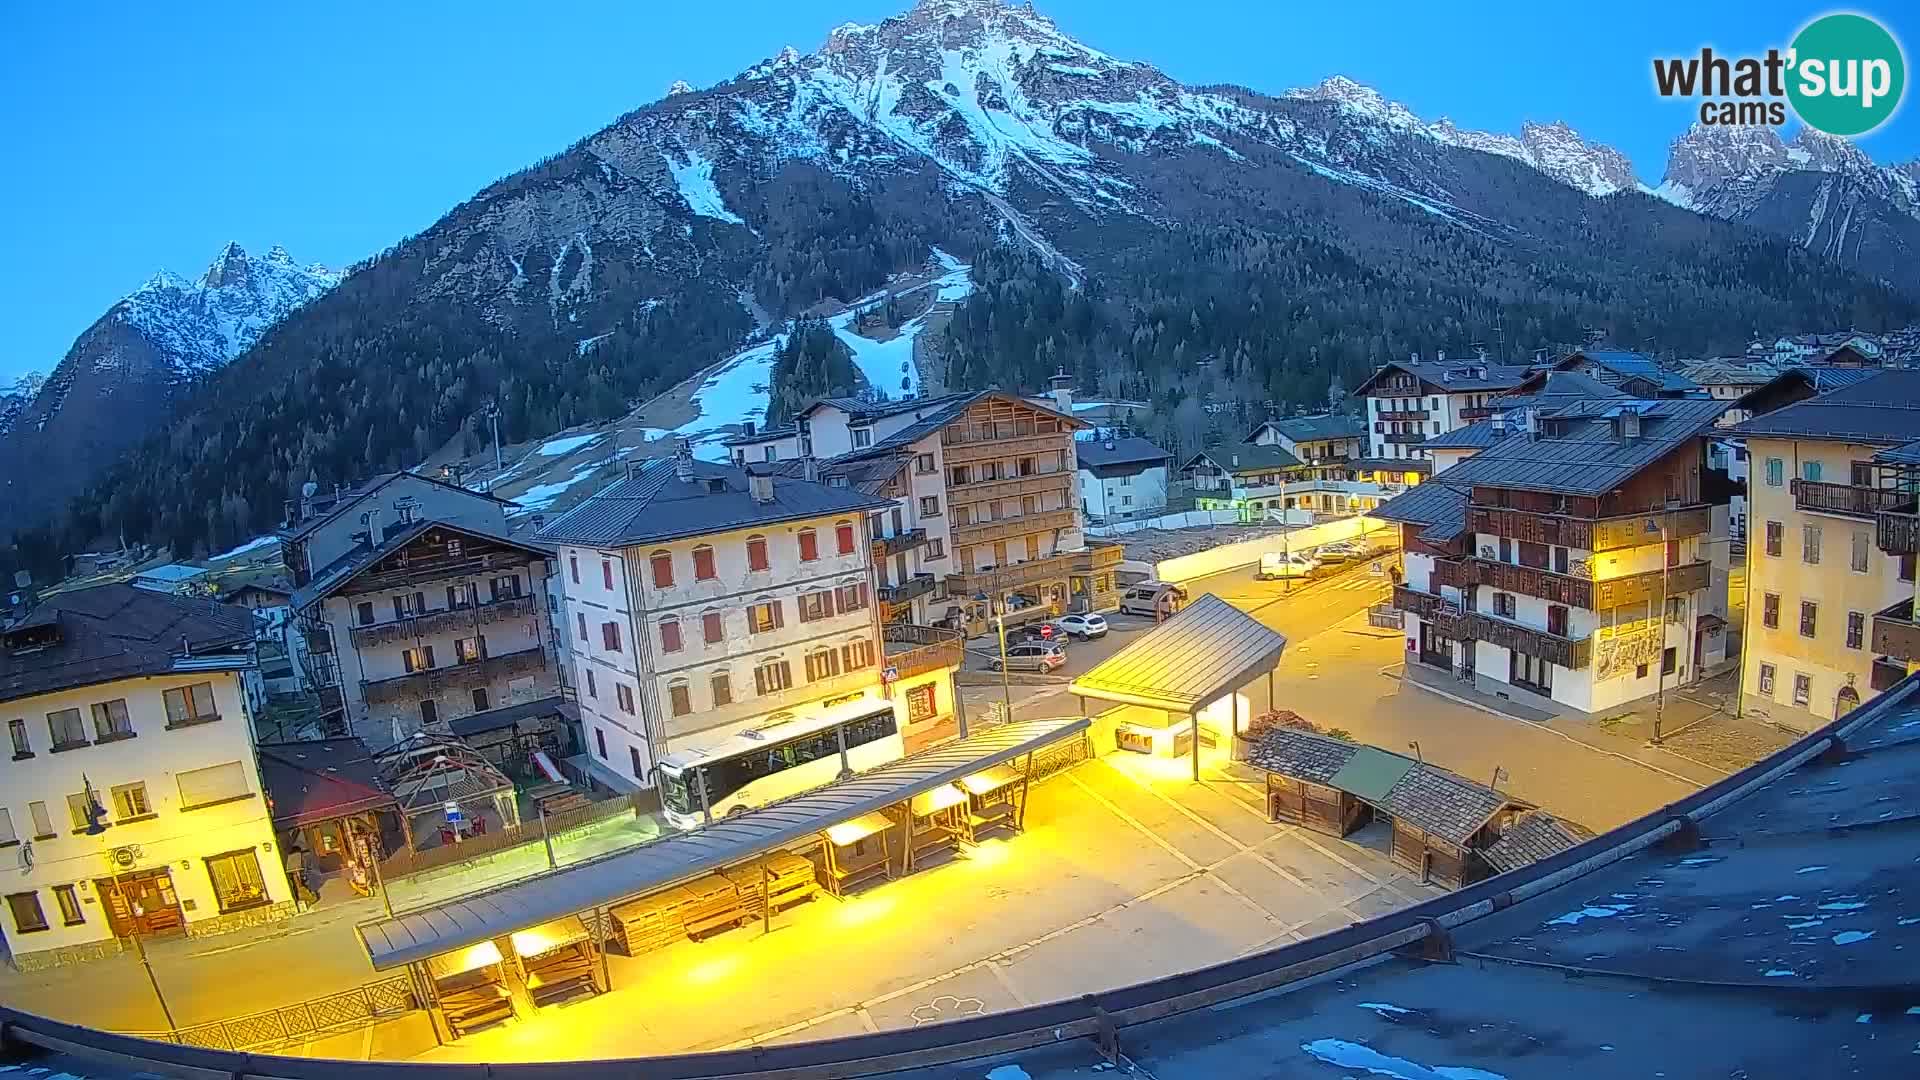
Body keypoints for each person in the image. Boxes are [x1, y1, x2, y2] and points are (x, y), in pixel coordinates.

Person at [284, 843, 319, 909]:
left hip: (295, 873)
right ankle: (304, 896)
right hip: (296, 874)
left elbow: (296, 872)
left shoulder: (292, 858)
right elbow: (296, 873)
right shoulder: (295, 857)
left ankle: (303, 895)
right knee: (298, 881)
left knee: (298, 881)